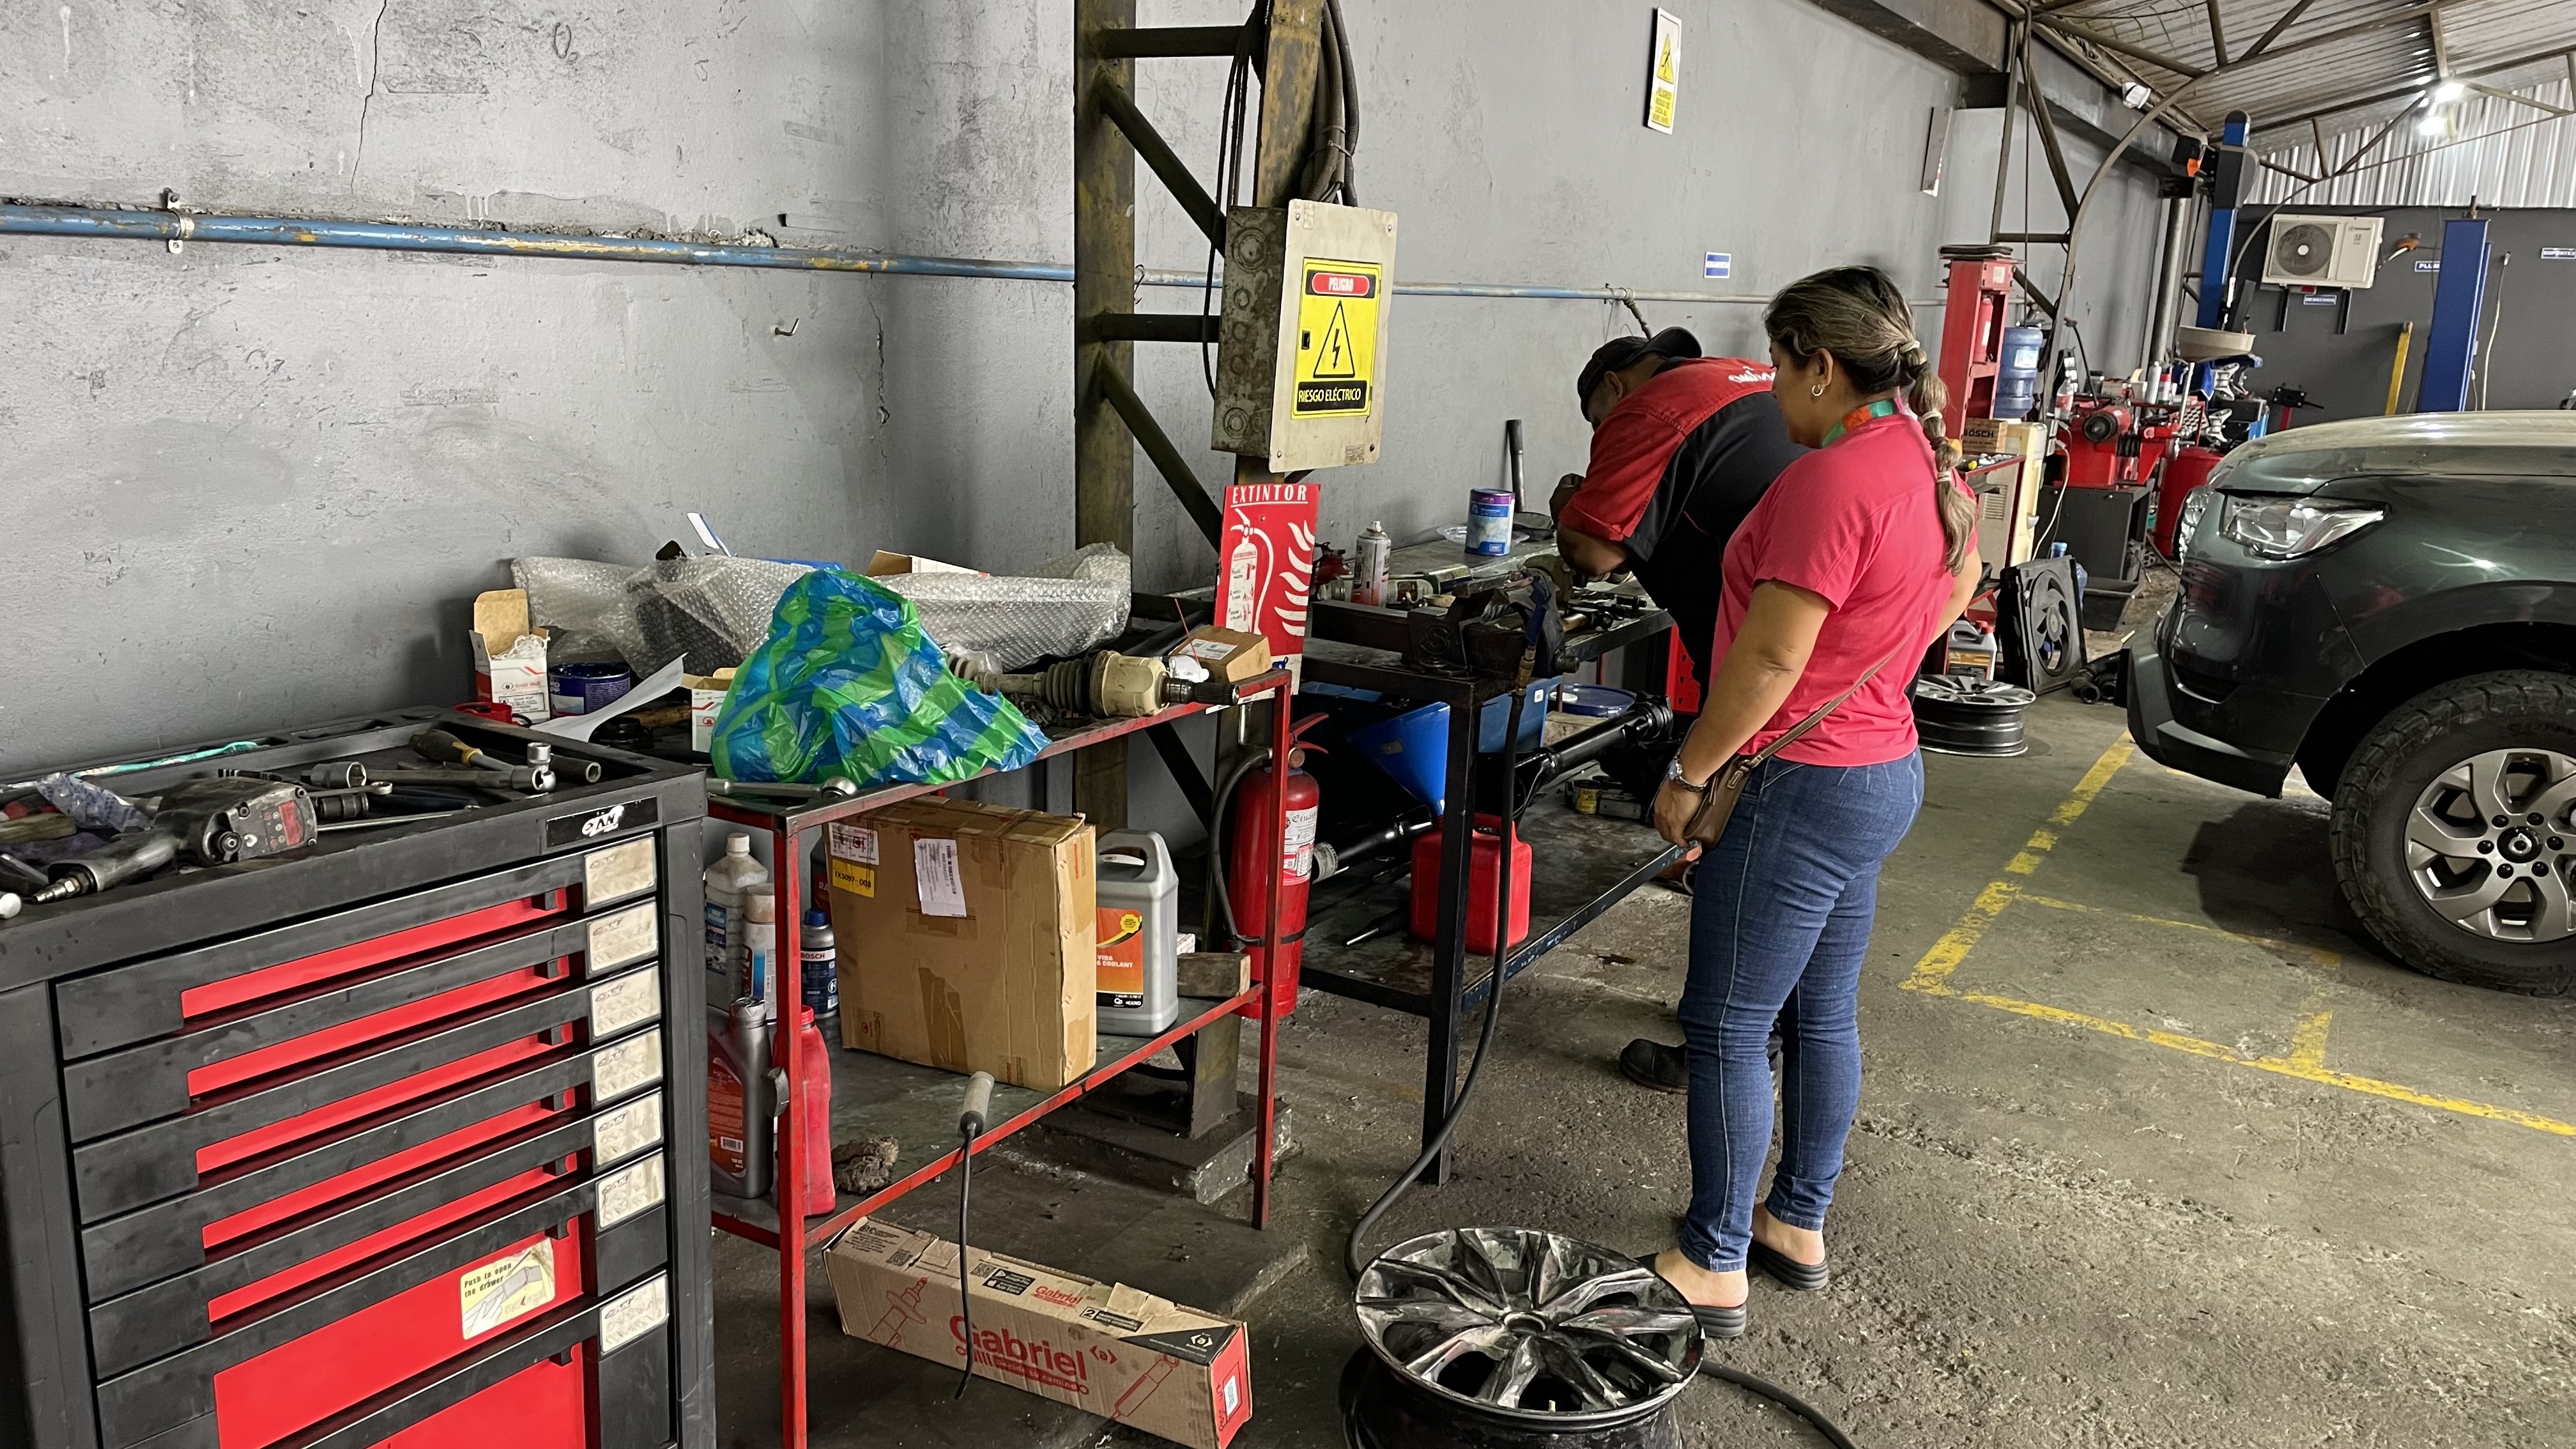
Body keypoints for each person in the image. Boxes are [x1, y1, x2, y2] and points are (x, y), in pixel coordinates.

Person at [1636, 266, 1979, 1338]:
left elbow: (1773, 657)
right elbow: (1960, 582)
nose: (1774, 389)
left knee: (1727, 1022)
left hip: (1802, 781)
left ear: (1821, 367)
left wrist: (1692, 772)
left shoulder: (1831, 482)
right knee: (1819, 1010)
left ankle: (1711, 1258)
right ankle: (1795, 1221)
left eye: (1780, 368)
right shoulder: (1925, 459)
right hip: (1881, 770)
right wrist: (1875, 660)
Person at [1551, 326, 1807, 692]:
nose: (1601, 434)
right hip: (1823, 623)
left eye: (1597, 422)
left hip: (1756, 654)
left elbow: (1591, 553)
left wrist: (1567, 509)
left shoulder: (1650, 407)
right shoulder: (1748, 374)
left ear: (1614, 385)